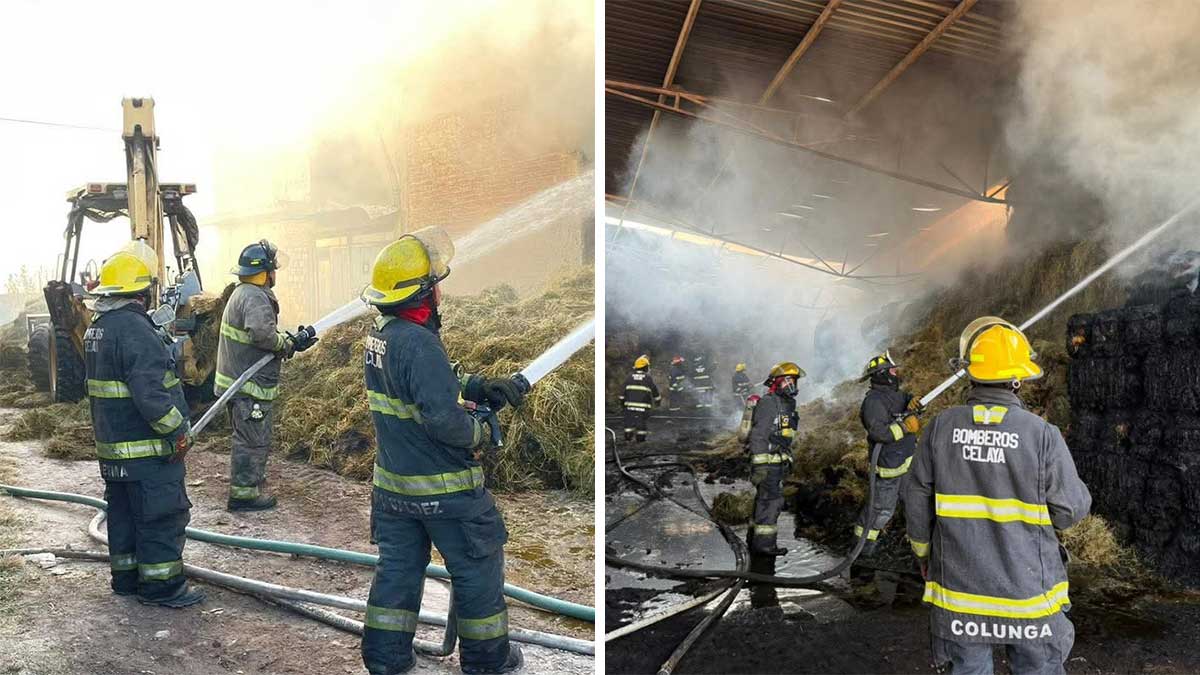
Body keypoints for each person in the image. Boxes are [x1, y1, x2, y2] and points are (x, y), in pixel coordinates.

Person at [359, 227, 527, 675]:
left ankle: (385, 658)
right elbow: (445, 420)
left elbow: (423, 382)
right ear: (421, 294)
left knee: (397, 572)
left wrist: (476, 385)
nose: (440, 289)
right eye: (435, 283)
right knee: (477, 570)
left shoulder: (383, 338)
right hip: (445, 492)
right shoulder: (421, 345)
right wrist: (479, 431)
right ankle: (488, 660)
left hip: (393, 491)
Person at [906, 317, 1091, 675]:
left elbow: (915, 499)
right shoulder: (1042, 435)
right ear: (1018, 378)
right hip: (1028, 596)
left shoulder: (940, 428)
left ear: (969, 373)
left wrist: (923, 553)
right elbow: (1069, 511)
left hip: (960, 594)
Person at [84, 242, 204, 607]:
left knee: (122, 516)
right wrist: (178, 432)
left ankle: (126, 579)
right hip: (147, 450)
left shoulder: (99, 327)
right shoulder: (134, 330)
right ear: (141, 291)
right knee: (160, 516)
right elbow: (151, 395)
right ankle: (162, 587)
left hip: (114, 450)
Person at [214, 240, 317, 511]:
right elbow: (261, 335)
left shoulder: (243, 292)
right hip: (249, 386)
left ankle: (250, 482)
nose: (275, 274)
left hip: (239, 382)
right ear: (265, 271)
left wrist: (291, 341)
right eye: (273, 269)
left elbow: (260, 336)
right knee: (252, 440)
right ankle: (244, 495)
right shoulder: (254, 295)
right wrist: (285, 344)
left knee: (248, 436)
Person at [854, 351, 921, 556]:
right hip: (889, 466)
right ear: (883, 374)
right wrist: (905, 428)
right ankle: (863, 551)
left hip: (907, 461)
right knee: (881, 511)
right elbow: (879, 432)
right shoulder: (873, 401)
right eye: (892, 369)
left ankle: (913, 545)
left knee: (914, 502)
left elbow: (908, 404)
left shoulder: (896, 394)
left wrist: (916, 402)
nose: (896, 372)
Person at [745, 362, 804, 556]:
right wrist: (760, 466)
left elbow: (783, 437)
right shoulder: (769, 403)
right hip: (768, 463)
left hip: (777, 461)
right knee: (772, 502)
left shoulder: (787, 404)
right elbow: (759, 435)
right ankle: (764, 547)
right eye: (790, 380)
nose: (793, 384)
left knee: (764, 500)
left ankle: (754, 540)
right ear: (779, 382)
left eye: (794, 381)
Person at [619, 355, 661, 442]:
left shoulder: (629, 378)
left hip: (629, 408)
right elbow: (655, 392)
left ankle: (627, 439)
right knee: (641, 424)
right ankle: (640, 441)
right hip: (643, 408)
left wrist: (622, 404)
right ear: (645, 367)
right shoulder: (648, 378)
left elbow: (622, 394)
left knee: (629, 424)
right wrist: (658, 402)